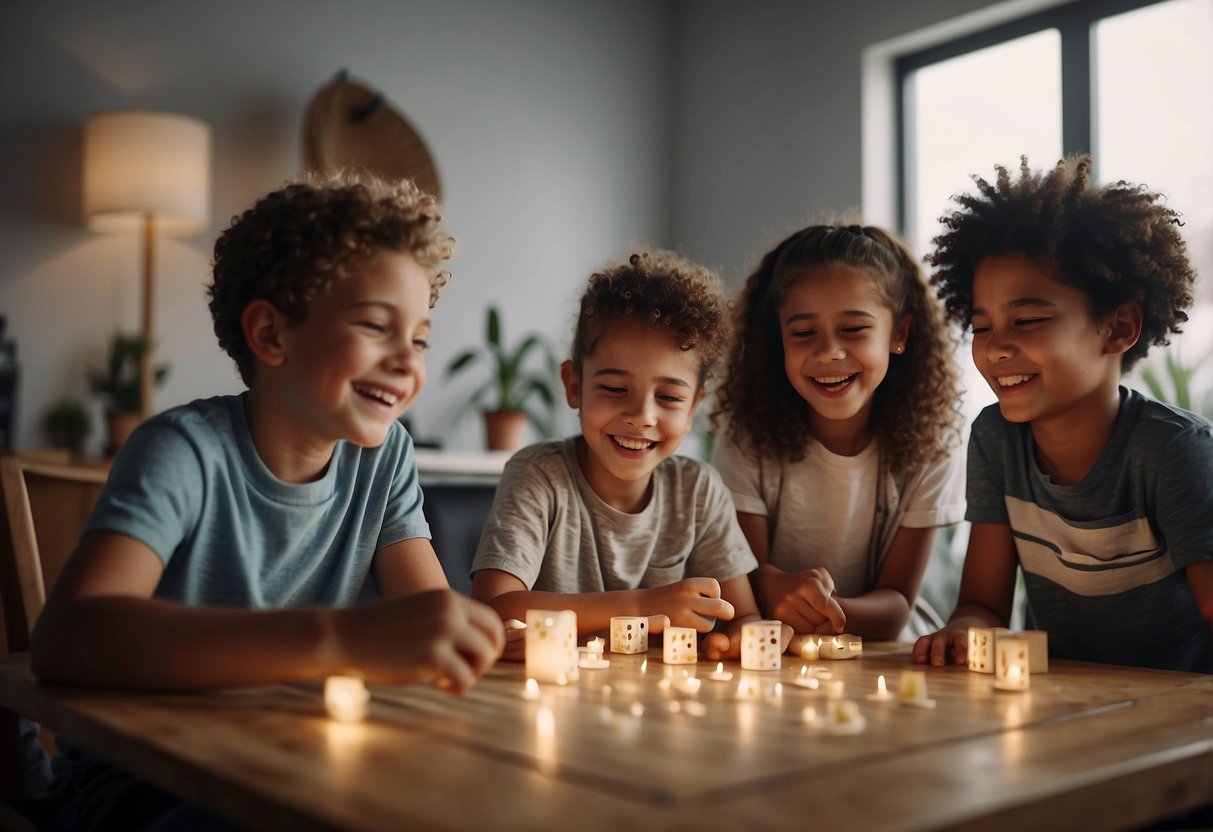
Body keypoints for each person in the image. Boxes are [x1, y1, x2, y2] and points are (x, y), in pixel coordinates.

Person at [29, 174, 504, 828]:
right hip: (144, 781)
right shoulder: (183, 450)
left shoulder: (384, 455)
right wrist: (337, 638)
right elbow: (67, 637)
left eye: (419, 338)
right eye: (375, 325)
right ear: (271, 334)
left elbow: (426, 618)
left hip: (298, 762)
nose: (407, 361)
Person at [913, 155, 1213, 675]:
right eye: (982, 327)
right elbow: (983, 605)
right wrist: (967, 627)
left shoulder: (1172, 450)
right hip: (1060, 705)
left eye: (1027, 320)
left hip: (1179, 715)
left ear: (1119, 327)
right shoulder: (996, 438)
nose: (996, 348)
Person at [470, 250, 779, 661]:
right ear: (574, 385)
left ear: (693, 408)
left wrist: (740, 637)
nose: (641, 416)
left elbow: (744, 617)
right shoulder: (538, 475)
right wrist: (641, 607)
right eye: (615, 389)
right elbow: (493, 608)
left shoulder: (699, 492)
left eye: (669, 397)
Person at [711, 222, 965, 640]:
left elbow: (896, 606)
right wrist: (768, 587)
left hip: (885, 658)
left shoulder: (933, 443)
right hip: (768, 649)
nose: (829, 351)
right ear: (779, 340)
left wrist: (811, 608)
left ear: (899, 334)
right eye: (804, 332)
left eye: (853, 329)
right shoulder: (747, 435)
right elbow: (741, 581)